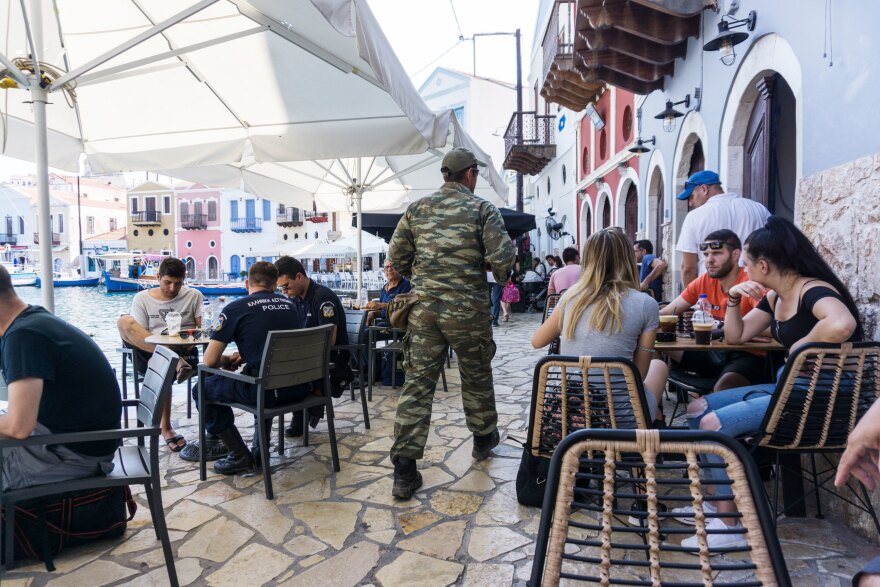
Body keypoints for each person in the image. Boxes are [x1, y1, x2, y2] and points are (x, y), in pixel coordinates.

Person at [679, 217, 862, 549]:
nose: (745, 271)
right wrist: (733, 298)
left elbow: (841, 323)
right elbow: (736, 336)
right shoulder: (776, 297)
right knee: (696, 407)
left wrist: (798, 349)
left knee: (711, 423)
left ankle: (728, 524)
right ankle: (713, 501)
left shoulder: (811, 289)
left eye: (746, 265)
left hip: (827, 398)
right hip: (791, 392)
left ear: (763, 264)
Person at [388, 147, 515, 499]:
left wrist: (428, 273)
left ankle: (404, 471)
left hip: (424, 308)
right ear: (471, 174)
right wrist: (491, 271)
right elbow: (503, 261)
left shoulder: (417, 209)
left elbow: (396, 257)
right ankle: (482, 439)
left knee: (417, 384)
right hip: (467, 311)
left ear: (446, 175)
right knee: (475, 375)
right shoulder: (482, 209)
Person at [0, 265, 120, 490]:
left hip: (74, 455)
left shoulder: (24, 337)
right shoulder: (31, 322)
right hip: (75, 441)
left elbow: (19, 427)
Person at [531, 228, 668, 424]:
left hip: (568, 419)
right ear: (628, 259)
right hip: (620, 421)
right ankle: (651, 430)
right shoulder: (646, 304)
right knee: (659, 366)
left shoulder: (570, 298)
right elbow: (639, 374)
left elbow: (537, 341)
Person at [189, 261, 310, 475]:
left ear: (247, 283)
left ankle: (238, 454)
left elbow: (209, 361)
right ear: (274, 285)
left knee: (201, 388)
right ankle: (258, 450)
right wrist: (243, 356)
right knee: (260, 376)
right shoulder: (290, 306)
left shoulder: (236, 309)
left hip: (266, 393)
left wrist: (226, 361)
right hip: (297, 388)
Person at [660, 230, 768, 391]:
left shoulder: (749, 283)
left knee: (724, 386)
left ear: (735, 254)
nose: (709, 260)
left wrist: (722, 326)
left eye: (717, 253)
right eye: (706, 254)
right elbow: (669, 311)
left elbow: (774, 327)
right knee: (652, 341)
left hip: (747, 355)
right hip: (711, 351)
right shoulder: (705, 280)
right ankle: (654, 411)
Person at [118, 257, 203, 452]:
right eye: (168, 282)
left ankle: (167, 428)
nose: (173, 288)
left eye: (178, 283)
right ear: (158, 277)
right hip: (148, 351)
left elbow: (200, 328)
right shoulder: (142, 298)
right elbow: (141, 335)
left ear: (184, 280)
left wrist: (191, 339)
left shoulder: (194, 295)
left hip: (183, 352)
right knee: (124, 321)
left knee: (164, 365)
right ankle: (173, 362)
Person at [274, 256, 351, 437]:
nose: (284, 292)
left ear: (299, 276)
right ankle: (304, 409)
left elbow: (329, 339)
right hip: (310, 354)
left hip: (333, 357)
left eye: (286, 286)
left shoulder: (323, 297)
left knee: (294, 369)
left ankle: (302, 415)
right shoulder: (296, 299)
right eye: (281, 288)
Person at [675, 170, 770, 287]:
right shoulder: (759, 209)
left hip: (711, 293)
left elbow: (688, 267)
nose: (690, 203)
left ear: (704, 189)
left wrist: (691, 300)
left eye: (691, 196)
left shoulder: (694, 217)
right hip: (754, 287)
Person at [364, 259, 412, 385]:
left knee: (365, 335)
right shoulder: (385, 287)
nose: (389, 269)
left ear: (399, 269)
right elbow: (384, 312)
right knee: (362, 334)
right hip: (385, 324)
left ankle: (373, 373)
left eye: (392, 266)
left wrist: (380, 305)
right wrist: (374, 313)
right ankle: (372, 370)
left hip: (398, 327)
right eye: (386, 267)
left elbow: (402, 307)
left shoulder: (405, 285)